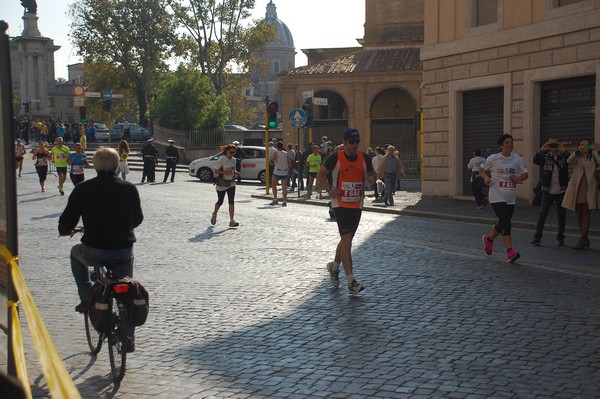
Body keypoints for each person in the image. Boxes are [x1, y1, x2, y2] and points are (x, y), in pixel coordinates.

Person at [58, 147, 143, 353]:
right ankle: (128, 337)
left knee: (75, 254)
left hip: (94, 249)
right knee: (126, 289)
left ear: (94, 166)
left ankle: (87, 297)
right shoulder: (129, 188)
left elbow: (66, 223)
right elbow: (138, 218)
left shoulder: (83, 189)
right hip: (123, 249)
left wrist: (68, 229)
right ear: (116, 166)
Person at [317, 128, 377, 295]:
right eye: (351, 142)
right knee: (347, 241)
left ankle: (334, 268)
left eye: (357, 142)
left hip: (357, 204)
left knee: (346, 240)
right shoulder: (335, 157)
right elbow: (320, 175)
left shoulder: (364, 158)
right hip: (340, 204)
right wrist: (329, 188)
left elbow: (373, 174)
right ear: (344, 142)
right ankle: (351, 282)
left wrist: (372, 179)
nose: (354, 145)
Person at [479, 133, 529, 263]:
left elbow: (526, 174)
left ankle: (489, 239)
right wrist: (486, 178)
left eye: (511, 142)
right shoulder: (493, 158)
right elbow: (481, 170)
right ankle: (510, 251)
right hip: (496, 194)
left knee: (503, 222)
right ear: (501, 145)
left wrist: (517, 178)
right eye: (507, 142)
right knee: (506, 221)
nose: (510, 144)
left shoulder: (517, 159)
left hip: (510, 196)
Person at [561, 139, 600, 250]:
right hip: (577, 189)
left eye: (587, 144)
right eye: (582, 145)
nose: (584, 146)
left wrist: (598, 151)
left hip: (589, 189)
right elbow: (569, 160)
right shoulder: (577, 157)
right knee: (579, 215)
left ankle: (582, 240)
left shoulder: (593, 157)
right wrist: (577, 152)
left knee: (586, 214)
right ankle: (585, 238)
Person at [530, 138, 570, 246]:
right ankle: (537, 237)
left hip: (561, 190)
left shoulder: (563, 157)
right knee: (542, 214)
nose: (553, 147)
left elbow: (570, 159)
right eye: (551, 145)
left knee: (562, 215)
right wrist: (541, 150)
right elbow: (535, 160)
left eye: (555, 145)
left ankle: (560, 238)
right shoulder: (546, 157)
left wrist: (563, 149)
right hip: (548, 190)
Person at [210, 143, 240, 227]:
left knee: (231, 201)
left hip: (231, 182)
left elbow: (233, 170)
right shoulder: (221, 159)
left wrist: (235, 173)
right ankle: (215, 213)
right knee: (220, 201)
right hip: (222, 183)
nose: (232, 154)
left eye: (234, 152)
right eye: (231, 152)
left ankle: (232, 220)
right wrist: (224, 172)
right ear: (226, 151)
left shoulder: (234, 160)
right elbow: (216, 170)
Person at [270, 141, 290, 206]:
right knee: (284, 187)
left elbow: (272, 161)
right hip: (284, 172)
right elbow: (288, 162)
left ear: (277, 146)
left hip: (277, 171)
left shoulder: (276, 153)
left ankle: (275, 199)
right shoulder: (286, 153)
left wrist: (271, 163)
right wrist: (287, 170)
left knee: (273, 184)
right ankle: (284, 201)